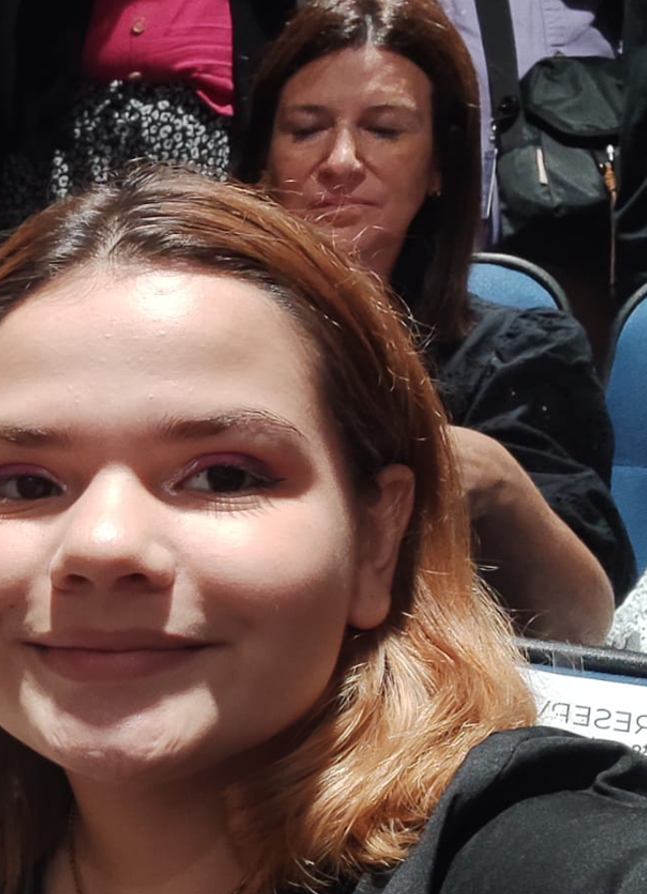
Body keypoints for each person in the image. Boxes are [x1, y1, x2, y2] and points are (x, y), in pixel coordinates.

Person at [0, 170, 647, 894]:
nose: (100, 545)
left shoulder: (529, 878)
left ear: (377, 537)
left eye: (224, 474)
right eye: (21, 484)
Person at [234, 0, 635, 643]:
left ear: (440, 167)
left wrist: (493, 480)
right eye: (306, 129)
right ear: (262, 163)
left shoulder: (516, 357)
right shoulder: (190, 334)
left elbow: (581, 620)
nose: (340, 161)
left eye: (384, 130)